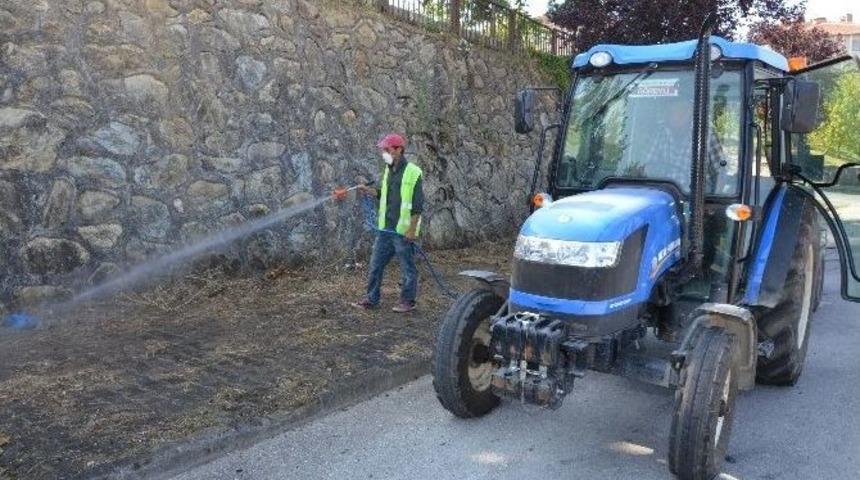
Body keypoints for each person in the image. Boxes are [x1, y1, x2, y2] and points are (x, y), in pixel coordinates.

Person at [351, 133, 424, 313]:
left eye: (387, 149)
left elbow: (417, 206)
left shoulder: (413, 172)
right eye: (383, 150)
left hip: (402, 231)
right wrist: (368, 191)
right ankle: (371, 298)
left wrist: (412, 230)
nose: (384, 153)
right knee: (375, 264)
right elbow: (383, 194)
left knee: (407, 268)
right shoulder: (388, 170)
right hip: (385, 229)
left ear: (399, 149)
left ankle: (408, 301)